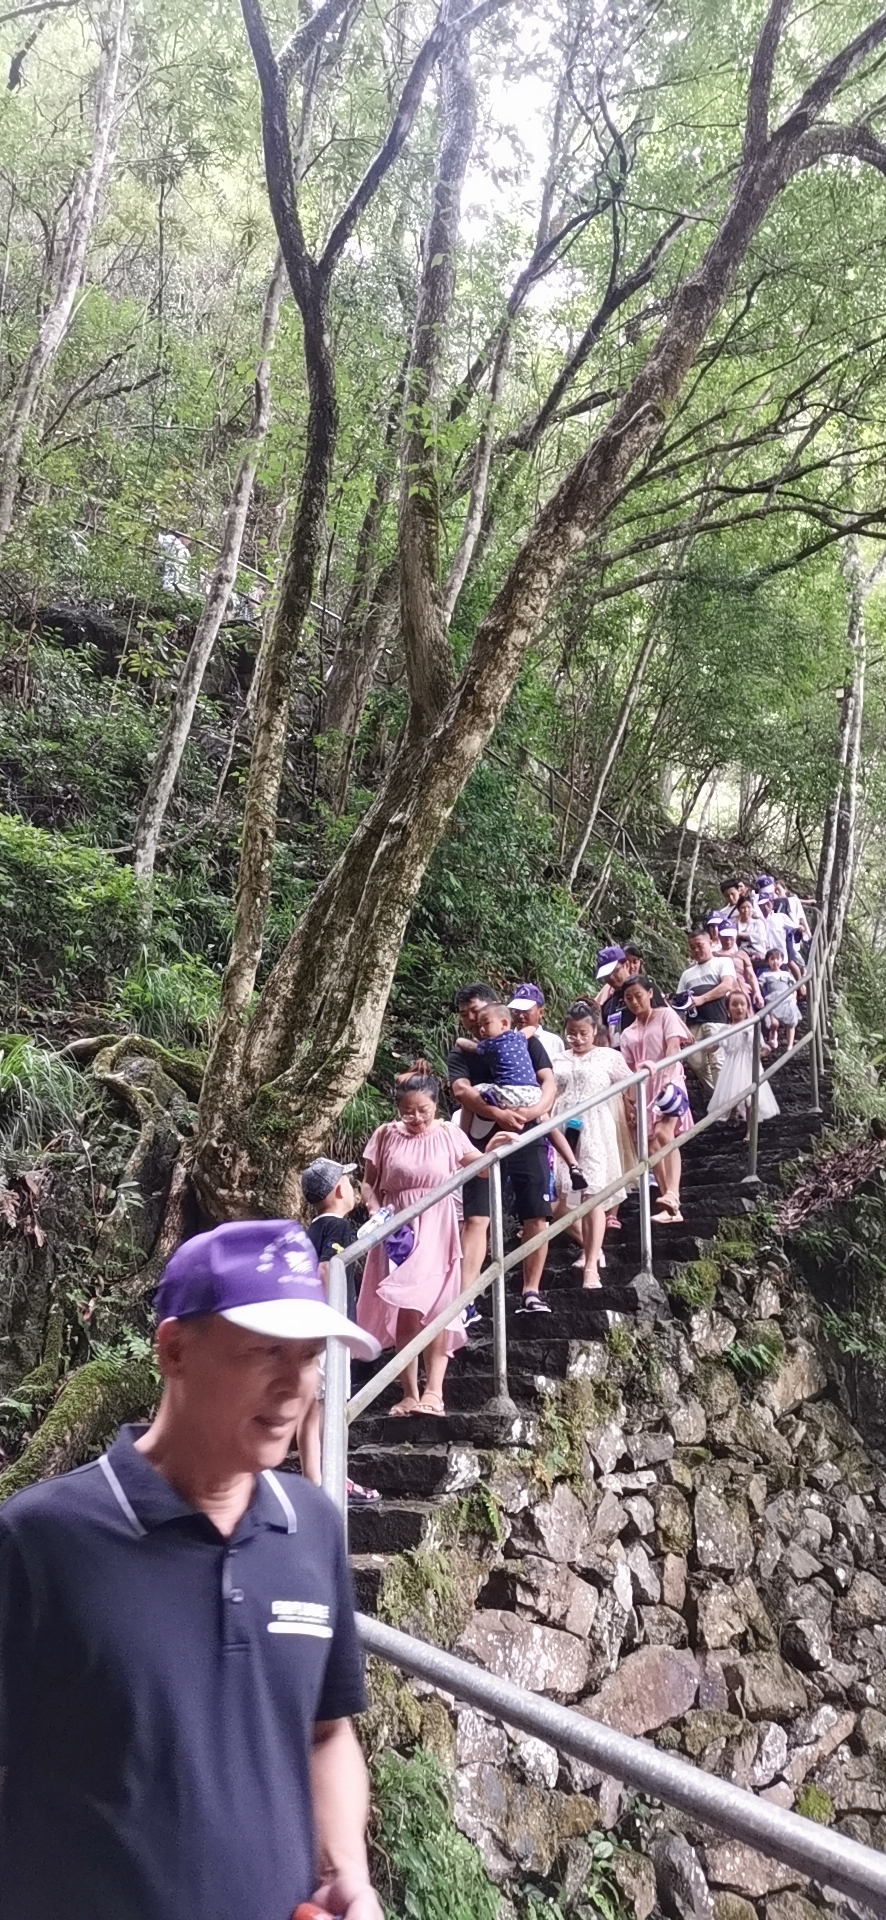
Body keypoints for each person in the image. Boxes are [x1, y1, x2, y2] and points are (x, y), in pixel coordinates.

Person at [0, 1219, 383, 1920]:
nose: (293, 1386)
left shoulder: (311, 1528)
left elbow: (327, 1732)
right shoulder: (42, 1539)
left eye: (308, 1357)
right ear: (174, 1350)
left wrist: (346, 1873)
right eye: (265, 1352)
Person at [356, 1069, 503, 1415]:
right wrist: (375, 1210)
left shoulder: (449, 1134)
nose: (417, 1118)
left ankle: (434, 1391)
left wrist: (493, 1148)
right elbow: (368, 1183)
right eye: (408, 1111)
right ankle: (409, 1392)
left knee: (438, 1307)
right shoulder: (385, 1134)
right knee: (405, 1310)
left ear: (435, 1105)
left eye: (423, 1110)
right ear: (398, 1109)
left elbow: (480, 1169)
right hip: (398, 1230)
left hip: (438, 1226)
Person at [448, 985, 556, 1317]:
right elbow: (461, 1091)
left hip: (527, 1131)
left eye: (477, 1011)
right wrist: (498, 1113)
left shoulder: (524, 1041)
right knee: (477, 1216)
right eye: (465, 1015)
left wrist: (533, 1110)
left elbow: (548, 1082)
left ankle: (531, 1291)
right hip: (481, 1140)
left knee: (536, 1213)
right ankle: (465, 1300)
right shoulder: (463, 1053)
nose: (472, 1020)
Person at [299, 1157, 378, 1506]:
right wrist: (337, 1323)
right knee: (330, 1405)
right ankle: (334, 1478)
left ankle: (314, 1480)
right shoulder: (337, 1227)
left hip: (309, 1328)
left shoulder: (312, 1229)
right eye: (347, 1179)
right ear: (338, 1190)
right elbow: (326, 1271)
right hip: (327, 1330)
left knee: (310, 1407)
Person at [547, 1000, 632, 1289]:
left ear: (595, 1030)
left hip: (595, 1127)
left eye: (583, 1032)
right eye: (572, 1033)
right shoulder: (557, 1060)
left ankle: (591, 1266)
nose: (578, 1038)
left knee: (592, 1194)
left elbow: (632, 1083)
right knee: (560, 1199)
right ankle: (590, 1246)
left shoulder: (609, 1057)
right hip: (562, 1129)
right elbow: (546, 1091)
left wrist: (645, 1071)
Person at [620, 976, 692, 1224]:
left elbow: (673, 1047)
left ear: (650, 993)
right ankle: (671, 1205)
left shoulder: (666, 1015)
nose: (634, 1001)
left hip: (669, 1083)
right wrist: (629, 1103)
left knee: (664, 1133)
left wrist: (667, 1076)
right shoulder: (627, 1033)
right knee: (651, 1147)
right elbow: (627, 1070)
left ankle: (673, 1194)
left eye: (638, 995)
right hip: (644, 1091)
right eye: (628, 998)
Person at [453, 1003, 541, 1139]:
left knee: (470, 1094)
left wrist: (459, 1040)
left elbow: (471, 1046)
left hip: (510, 1093)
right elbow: (530, 1029)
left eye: (486, 1024)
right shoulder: (519, 1038)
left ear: (503, 1023)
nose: (482, 1029)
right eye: (480, 1025)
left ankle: (463, 1136)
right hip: (534, 1094)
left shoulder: (491, 1044)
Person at [709, 988, 780, 1134]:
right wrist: (698, 1046)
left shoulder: (753, 1026)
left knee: (749, 1098)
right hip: (732, 1065)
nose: (739, 1008)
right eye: (734, 1004)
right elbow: (713, 1047)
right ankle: (733, 1113)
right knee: (732, 1093)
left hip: (749, 1065)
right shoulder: (725, 1029)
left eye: (742, 1004)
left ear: (747, 1007)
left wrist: (766, 1050)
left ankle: (750, 1131)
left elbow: (761, 1047)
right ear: (727, 1009)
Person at [674, 929, 737, 1091]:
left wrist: (701, 999)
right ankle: (717, 1094)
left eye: (699, 945)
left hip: (716, 1019)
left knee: (718, 1061)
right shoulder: (687, 974)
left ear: (710, 943)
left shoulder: (722, 962)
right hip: (693, 1023)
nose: (696, 950)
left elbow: (727, 985)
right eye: (692, 947)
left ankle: (724, 1100)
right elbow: (679, 999)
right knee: (696, 1062)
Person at [593, 944, 665, 1045]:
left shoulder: (645, 990)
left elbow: (664, 1019)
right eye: (606, 975)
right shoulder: (607, 1005)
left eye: (615, 971)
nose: (611, 977)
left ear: (626, 965)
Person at [508, 981, 566, 1058]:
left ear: (540, 1012)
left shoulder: (554, 1042)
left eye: (526, 1011)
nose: (520, 1016)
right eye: (516, 1011)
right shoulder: (505, 1040)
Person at [759, 947, 801, 1051]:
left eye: (777, 959)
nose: (775, 961)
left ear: (782, 961)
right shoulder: (765, 975)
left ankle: (790, 1045)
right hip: (773, 1002)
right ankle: (773, 1033)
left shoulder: (786, 974)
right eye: (772, 959)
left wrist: (794, 997)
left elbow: (793, 987)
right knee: (774, 1023)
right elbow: (759, 986)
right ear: (767, 962)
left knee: (791, 1023)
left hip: (787, 1000)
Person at [717, 920, 763, 1008]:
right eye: (725, 937)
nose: (728, 940)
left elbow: (750, 975)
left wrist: (757, 992)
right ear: (719, 936)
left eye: (730, 937)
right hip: (721, 992)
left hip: (741, 991)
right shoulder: (714, 956)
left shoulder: (742, 954)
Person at [734, 894, 769, 965]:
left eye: (749, 907)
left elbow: (761, 937)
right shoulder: (735, 924)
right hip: (740, 956)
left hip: (758, 954)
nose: (746, 910)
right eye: (743, 907)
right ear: (738, 909)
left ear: (752, 909)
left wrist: (741, 935)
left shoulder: (758, 922)